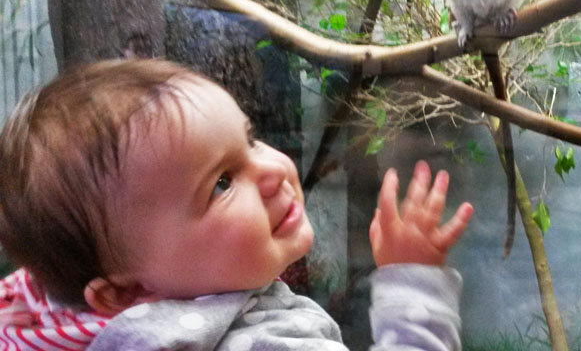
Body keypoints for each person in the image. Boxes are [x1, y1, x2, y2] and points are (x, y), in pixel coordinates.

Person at [0, 59, 473, 350]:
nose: (271, 171)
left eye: (250, 139)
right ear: (124, 294)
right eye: (222, 183)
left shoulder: (35, 320)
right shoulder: (260, 344)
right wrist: (414, 284)